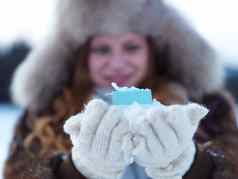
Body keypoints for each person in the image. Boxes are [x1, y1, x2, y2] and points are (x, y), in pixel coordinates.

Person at [4, 0, 238, 178]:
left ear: (152, 51)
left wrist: (190, 163)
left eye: (131, 46)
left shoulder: (206, 108)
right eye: (102, 49)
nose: (117, 63)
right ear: (83, 57)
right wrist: (78, 169)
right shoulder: (44, 114)